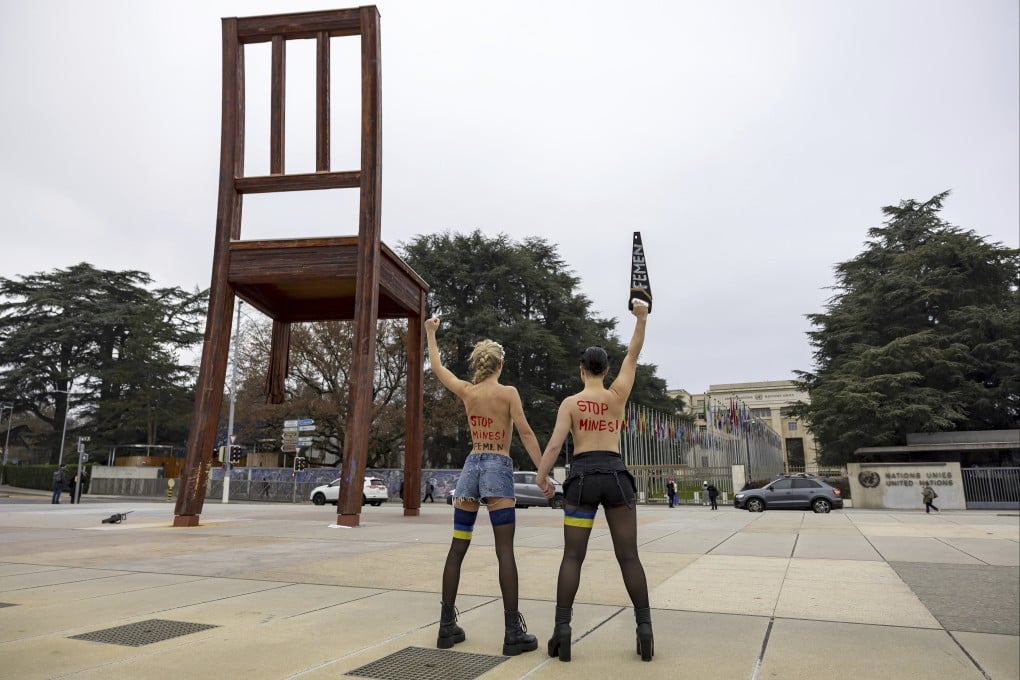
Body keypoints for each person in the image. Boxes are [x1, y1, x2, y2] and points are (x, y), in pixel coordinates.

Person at [536, 300, 653, 662]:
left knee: (572, 557)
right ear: (605, 370)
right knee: (629, 557)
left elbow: (556, 444)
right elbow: (633, 355)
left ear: (582, 369)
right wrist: (642, 318)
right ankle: (645, 630)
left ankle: (563, 630)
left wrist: (542, 477)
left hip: (582, 479)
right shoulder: (617, 396)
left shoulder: (571, 403)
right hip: (617, 478)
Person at [425, 316, 545, 656]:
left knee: (457, 548)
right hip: (497, 467)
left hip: (470, 468)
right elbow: (524, 432)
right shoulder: (507, 393)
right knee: (504, 551)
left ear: (480, 365)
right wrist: (542, 471)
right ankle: (512, 633)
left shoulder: (468, 391)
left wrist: (430, 332)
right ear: (500, 364)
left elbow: (437, 368)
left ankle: (446, 627)